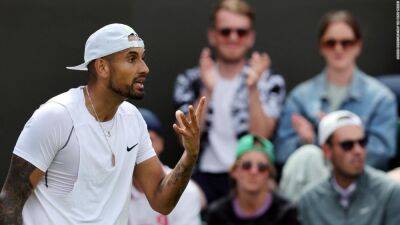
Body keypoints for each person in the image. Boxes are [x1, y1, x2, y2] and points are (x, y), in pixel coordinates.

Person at [0, 23, 206, 224]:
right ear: (102, 67)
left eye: (143, 58)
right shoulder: (56, 116)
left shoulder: (133, 119)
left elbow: (161, 201)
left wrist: (190, 155)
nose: (145, 68)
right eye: (132, 58)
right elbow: (9, 201)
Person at [173, 0, 286, 204]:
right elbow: (185, 139)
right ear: (212, 35)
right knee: (183, 202)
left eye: (241, 32)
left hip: (252, 173)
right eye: (226, 31)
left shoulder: (268, 80)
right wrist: (207, 89)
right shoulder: (190, 80)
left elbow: (260, 137)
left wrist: (253, 89)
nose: (233, 37)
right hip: (204, 177)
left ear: (250, 37)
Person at [275, 10, 397, 171]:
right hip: (312, 184)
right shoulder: (300, 97)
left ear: (358, 45)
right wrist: (305, 142)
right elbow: (282, 153)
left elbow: (381, 154)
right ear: (321, 47)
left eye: (346, 43)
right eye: (330, 43)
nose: (338, 49)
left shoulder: (380, 98)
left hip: (361, 186)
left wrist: (324, 138)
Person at [298, 110, 400, 225]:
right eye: (347, 145)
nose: (358, 151)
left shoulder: (389, 192)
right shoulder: (309, 200)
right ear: (327, 150)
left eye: (362, 142)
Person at [128, 108, 205, 225]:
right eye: (132, 142)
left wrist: (190, 153)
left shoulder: (186, 190)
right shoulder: (115, 191)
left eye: (148, 141)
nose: (139, 149)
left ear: (161, 143)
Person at [206, 134, 298, 225]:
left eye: (262, 167)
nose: (253, 172)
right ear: (234, 171)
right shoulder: (217, 215)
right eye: (246, 166)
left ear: (270, 174)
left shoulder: (286, 213)